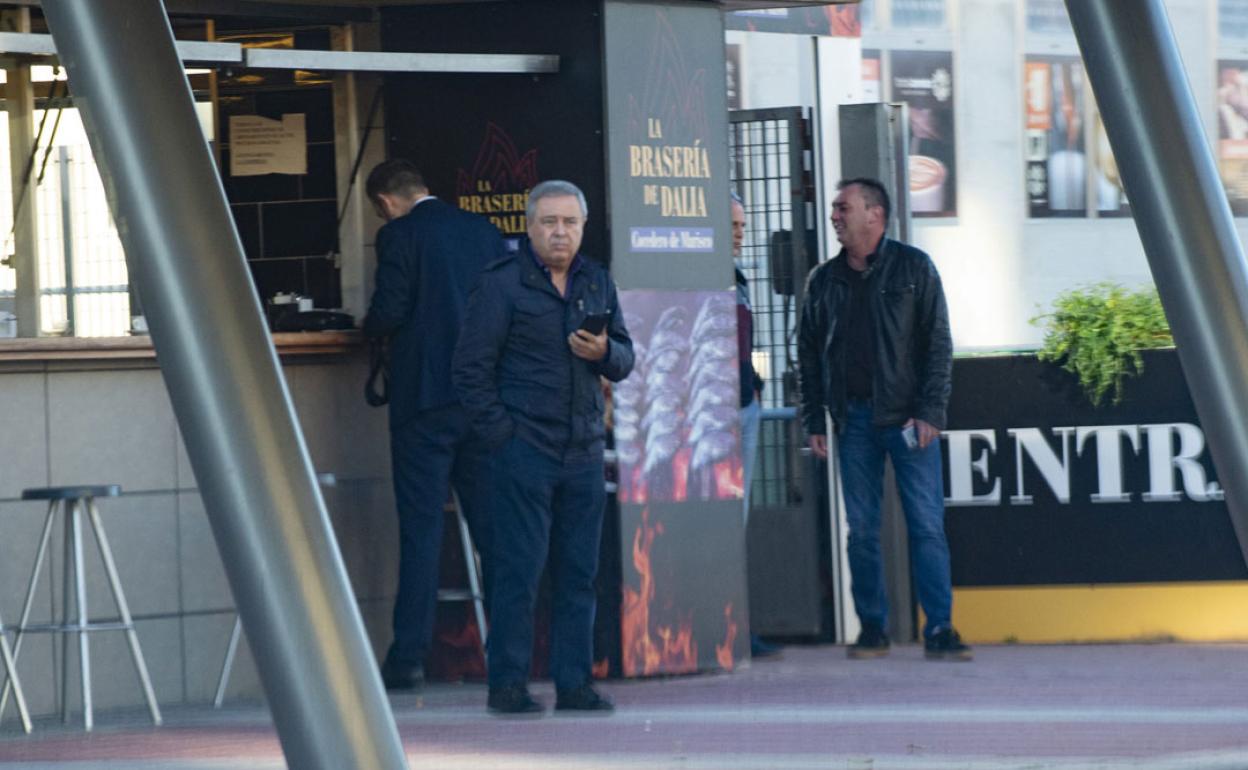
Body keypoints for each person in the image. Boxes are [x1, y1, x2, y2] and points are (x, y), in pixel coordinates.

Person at [453, 180, 634, 715]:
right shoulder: (502, 285)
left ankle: (574, 683)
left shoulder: (596, 281)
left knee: (579, 574)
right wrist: (503, 438)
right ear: (529, 227)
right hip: (523, 451)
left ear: (582, 226)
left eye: (570, 223)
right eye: (549, 222)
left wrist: (605, 351)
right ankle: (507, 685)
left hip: (581, 450)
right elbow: (469, 370)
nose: (560, 232)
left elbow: (624, 358)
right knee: (518, 571)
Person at [797, 177, 971, 661]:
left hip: (909, 422)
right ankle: (872, 628)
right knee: (861, 530)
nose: (834, 216)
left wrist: (931, 411)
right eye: (834, 208)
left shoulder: (915, 268)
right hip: (852, 422)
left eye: (842, 207)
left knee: (927, 526)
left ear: (875, 214)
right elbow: (807, 356)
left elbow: (938, 344)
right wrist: (815, 418)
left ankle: (939, 628)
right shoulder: (822, 280)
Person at [362, 159, 507, 690]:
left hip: (424, 403)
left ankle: (409, 658)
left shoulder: (398, 236)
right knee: (493, 532)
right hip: (482, 400)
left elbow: (390, 310)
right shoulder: (483, 232)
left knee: (421, 530)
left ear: (385, 201)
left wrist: (367, 328)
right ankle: (510, 650)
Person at [731, 193, 780, 661]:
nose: (739, 234)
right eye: (731, 226)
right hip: (715, 415)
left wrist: (757, 385)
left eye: (742, 226)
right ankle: (728, 629)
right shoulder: (697, 276)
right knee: (723, 524)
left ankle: (741, 628)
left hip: (746, 406)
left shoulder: (739, 276)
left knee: (738, 523)